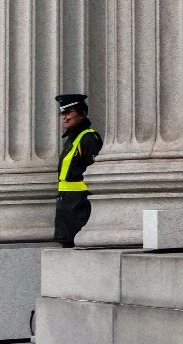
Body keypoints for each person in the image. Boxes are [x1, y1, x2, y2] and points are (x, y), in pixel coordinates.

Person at [54, 93, 103, 248]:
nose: (64, 117)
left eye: (69, 112)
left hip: (80, 208)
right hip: (67, 207)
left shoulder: (88, 139)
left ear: (82, 113)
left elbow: (95, 174)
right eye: (62, 113)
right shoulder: (72, 139)